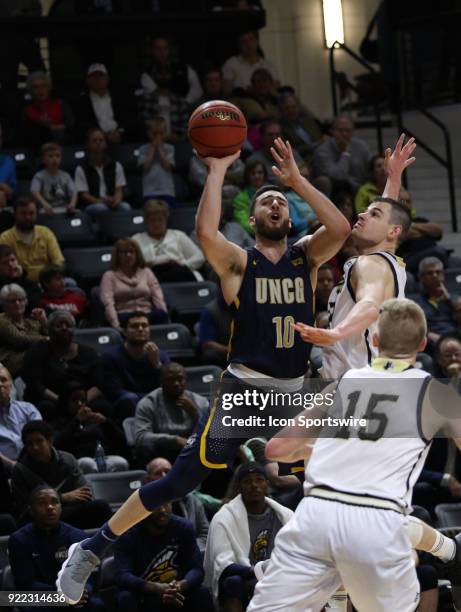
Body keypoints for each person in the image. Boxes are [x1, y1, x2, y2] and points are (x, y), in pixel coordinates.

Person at [56, 134, 352, 604]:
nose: (276, 205)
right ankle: (91, 550)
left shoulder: (306, 256)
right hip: (246, 390)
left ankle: (336, 571)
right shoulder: (240, 262)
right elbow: (206, 235)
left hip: (295, 391)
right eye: (267, 201)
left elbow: (340, 227)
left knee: (338, 465)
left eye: (281, 201)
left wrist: (298, 182)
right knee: (179, 481)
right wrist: (217, 172)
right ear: (252, 220)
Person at [294, 137, 461, 606]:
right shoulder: (388, 259)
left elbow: (369, 305)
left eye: (373, 214)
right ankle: (443, 550)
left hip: (358, 398)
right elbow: (392, 221)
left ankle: (441, 551)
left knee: (342, 510)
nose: (362, 214)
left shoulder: (370, 263)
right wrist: (393, 178)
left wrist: (334, 332)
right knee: (357, 518)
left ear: (390, 234)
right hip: (365, 396)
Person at [248, 298, 461, 612]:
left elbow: (276, 449)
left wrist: (319, 449)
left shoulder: (343, 383)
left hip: (315, 515)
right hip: (376, 520)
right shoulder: (438, 394)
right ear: (423, 344)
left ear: (375, 340)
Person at [204, 462, 293, 611]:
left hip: (279, 574)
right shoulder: (224, 518)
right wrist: (257, 570)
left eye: (259, 480)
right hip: (246, 576)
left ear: (267, 484)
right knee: (232, 582)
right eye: (247, 481)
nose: (254, 485)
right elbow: (223, 566)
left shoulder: (285, 515)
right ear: (238, 487)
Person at [8, 485, 104, 611]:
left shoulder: (78, 536)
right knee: (10, 599)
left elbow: (89, 576)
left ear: (60, 507)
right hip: (34, 595)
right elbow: (26, 583)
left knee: (96, 604)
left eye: (55, 502)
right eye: (42, 503)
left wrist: (82, 591)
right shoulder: (18, 540)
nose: (50, 507)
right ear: (31, 510)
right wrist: (62, 595)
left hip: (72, 593)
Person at [113, 503, 213, 612]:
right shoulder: (128, 533)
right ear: (144, 507)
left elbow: (196, 569)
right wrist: (155, 588)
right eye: (157, 505)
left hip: (176, 591)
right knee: (125, 598)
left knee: (202, 593)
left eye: (166, 504)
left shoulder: (183, 527)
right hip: (143, 592)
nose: (163, 510)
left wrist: (181, 585)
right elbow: (122, 575)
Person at [12, 421, 112, 529]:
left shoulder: (68, 459)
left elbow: (85, 494)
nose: (35, 447)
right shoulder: (20, 469)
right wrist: (63, 497)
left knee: (101, 507)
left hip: (69, 514)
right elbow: (25, 509)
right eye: (29, 444)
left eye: (39, 441)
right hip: (41, 520)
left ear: (50, 441)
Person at [22, 310, 107, 419]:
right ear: (49, 330)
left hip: (84, 400)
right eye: (58, 325)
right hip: (51, 399)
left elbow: (99, 384)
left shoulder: (88, 352)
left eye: (68, 325)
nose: (64, 328)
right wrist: (63, 402)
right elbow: (35, 384)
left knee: (102, 406)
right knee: (46, 407)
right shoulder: (38, 350)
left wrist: (81, 402)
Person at [135, 362, 208, 464]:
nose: (176, 383)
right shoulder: (148, 403)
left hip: (193, 449)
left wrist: (195, 413)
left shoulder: (200, 401)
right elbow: (141, 437)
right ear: (161, 381)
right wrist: (175, 440)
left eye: (180, 379)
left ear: (186, 380)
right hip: (162, 451)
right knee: (145, 447)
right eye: (170, 380)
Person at [101, 312, 170, 420]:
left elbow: (167, 388)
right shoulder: (110, 357)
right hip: (123, 406)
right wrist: (146, 399)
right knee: (129, 399)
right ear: (124, 332)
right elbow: (114, 391)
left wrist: (157, 365)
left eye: (144, 325)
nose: (141, 329)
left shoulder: (161, 356)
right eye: (134, 326)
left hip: (154, 404)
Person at [52, 381, 129, 473]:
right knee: (88, 464)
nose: (80, 404)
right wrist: (76, 421)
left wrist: (106, 422)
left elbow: (122, 441)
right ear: (65, 402)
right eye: (74, 400)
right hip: (77, 460)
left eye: (83, 400)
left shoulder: (93, 419)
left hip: (101, 458)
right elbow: (58, 443)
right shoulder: (59, 422)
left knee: (121, 463)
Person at [100, 238, 168, 331]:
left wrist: (165, 316)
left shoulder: (146, 272)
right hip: (124, 316)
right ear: (117, 256)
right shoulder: (109, 276)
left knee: (160, 315)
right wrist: (116, 325)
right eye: (124, 252)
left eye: (131, 251)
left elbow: (158, 297)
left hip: (147, 314)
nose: (128, 255)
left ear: (137, 254)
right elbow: (108, 303)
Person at [145, 457, 209, 553]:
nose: (164, 476)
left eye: (167, 471)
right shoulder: (142, 506)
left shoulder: (192, 500)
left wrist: (186, 549)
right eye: (157, 473)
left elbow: (206, 535)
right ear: (147, 479)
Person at [133, 199, 205, 283]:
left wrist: (182, 264)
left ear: (166, 219)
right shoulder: (136, 239)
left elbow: (199, 256)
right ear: (146, 221)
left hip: (179, 274)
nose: (156, 224)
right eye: (152, 220)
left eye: (160, 220)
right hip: (149, 277)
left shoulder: (178, 235)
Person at [0, 197, 65, 282]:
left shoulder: (45, 232)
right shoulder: (5, 237)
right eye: (23, 213)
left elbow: (58, 262)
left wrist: (49, 279)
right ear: (15, 214)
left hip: (48, 282)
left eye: (31, 213)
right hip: (19, 282)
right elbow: (4, 269)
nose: (27, 217)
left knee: (71, 285)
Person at [74, 127, 131, 218]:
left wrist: (116, 201)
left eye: (101, 140)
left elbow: (119, 190)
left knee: (125, 207)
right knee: (101, 208)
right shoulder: (81, 168)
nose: (98, 143)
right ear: (88, 144)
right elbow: (84, 195)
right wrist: (101, 201)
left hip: (112, 202)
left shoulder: (116, 165)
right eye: (94, 140)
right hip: (93, 204)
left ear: (106, 144)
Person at [313, 115, 371, 193]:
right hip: (336, 191)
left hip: (361, 188)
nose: (344, 134)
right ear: (332, 131)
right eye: (340, 130)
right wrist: (345, 153)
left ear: (353, 131)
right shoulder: (322, 151)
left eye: (348, 131)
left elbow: (372, 167)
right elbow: (338, 177)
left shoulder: (361, 146)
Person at [0, 284, 48, 377]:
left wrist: (43, 321)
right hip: (11, 366)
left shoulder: (31, 321)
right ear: (4, 304)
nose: (17, 303)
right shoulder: (2, 321)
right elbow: (20, 340)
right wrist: (46, 339)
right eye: (12, 301)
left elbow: (50, 335)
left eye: (20, 300)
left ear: (26, 302)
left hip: (35, 366)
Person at [140, 36, 203, 105]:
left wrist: (185, 103)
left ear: (169, 49)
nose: (162, 52)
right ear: (152, 50)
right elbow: (157, 95)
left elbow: (197, 90)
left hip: (182, 111)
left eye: (165, 48)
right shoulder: (147, 74)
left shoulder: (185, 69)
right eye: (158, 49)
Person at [74, 63, 125, 144]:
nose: (98, 79)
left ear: (107, 79)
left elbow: (126, 119)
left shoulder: (119, 98)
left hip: (119, 137)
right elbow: (81, 124)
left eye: (101, 75)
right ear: (88, 80)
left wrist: (120, 132)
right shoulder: (81, 101)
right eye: (94, 76)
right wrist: (101, 134)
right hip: (95, 140)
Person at [0, 365, 41, 462]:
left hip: (35, 462)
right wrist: (14, 466)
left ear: (11, 384)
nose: (0, 384)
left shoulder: (28, 409)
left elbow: (40, 438)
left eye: (3, 380)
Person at [22, 71, 74, 146]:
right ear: (31, 90)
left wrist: (55, 127)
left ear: (49, 87)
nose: (40, 90)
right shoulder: (27, 110)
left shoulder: (60, 104)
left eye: (44, 86)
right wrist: (42, 126)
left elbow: (71, 124)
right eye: (36, 87)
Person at [413, 256, 456, 343]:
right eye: (430, 273)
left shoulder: (454, 299)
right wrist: (428, 335)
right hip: (427, 342)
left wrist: (449, 299)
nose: (435, 275)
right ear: (421, 277)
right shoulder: (413, 302)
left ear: (443, 275)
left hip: (455, 340)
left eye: (438, 272)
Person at [246, 119, 302, 184]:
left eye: (277, 134)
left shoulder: (290, 154)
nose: (274, 138)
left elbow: (305, 171)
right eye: (270, 135)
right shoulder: (253, 160)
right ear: (262, 137)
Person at [138, 117, 176, 206]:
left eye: (161, 134)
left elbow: (167, 166)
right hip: (149, 191)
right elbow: (145, 167)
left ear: (165, 134)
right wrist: (153, 148)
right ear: (149, 133)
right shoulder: (143, 149)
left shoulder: (170, 148)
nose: (158, 137)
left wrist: (159, 149)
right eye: (154, 134)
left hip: (167, 191)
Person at [31, 142, 77, 215]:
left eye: (57, 156)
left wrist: (72, 204)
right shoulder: (39, 176)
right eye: (50, 156)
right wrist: (45, 204)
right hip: (46, 209)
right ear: (43, 159)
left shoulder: (66, 175)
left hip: (64, 207)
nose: (54, 158)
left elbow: (73, 192)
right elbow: (35, 192)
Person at [278, 92, 323, 161]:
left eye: (293, 107)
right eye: (287, 108)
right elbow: (292, 151)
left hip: (321, 154)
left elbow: (320, 138)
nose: (291, 110)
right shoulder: (280, 128)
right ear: (281, 109)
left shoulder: (309, 122)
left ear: (298, 108)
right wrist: (314, 145)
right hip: (302, 160)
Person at [232, 159, 267, 235]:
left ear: (265, 175)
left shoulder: (274, 192)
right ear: (247, 176)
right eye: (252, 173)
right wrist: (265, 230)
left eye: (260, 172)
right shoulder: (240, 198)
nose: (256, 176)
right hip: (255, 236)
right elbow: (245, 223)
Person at [198, 293, 232, 367]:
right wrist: (230, 350)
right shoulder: (210, 310)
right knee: (210, 354)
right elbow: (207, 343)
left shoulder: (249, 307)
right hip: (223, 351)